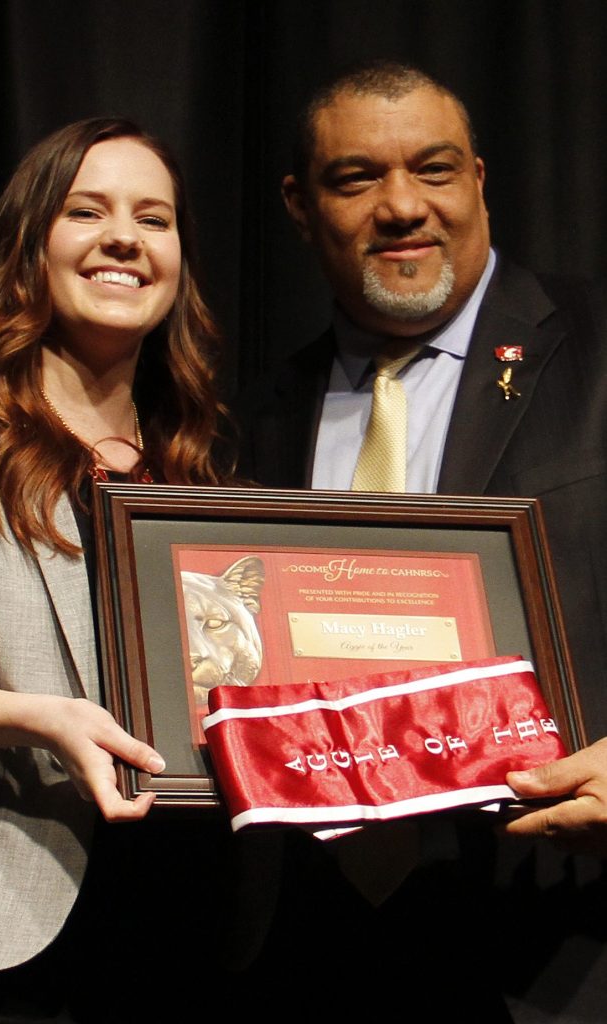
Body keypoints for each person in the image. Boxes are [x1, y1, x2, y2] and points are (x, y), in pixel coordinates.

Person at [236, 61, 607, 1020]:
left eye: (434, 170)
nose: (402, 206)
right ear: (299, 203)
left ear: (480, 180)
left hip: (567, 932)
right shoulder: (253, 418)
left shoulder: (600, 348)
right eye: (356, 178)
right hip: (305, 944)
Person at [0, 117, 233, 1021]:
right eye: (87, 211)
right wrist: (36, 718)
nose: (124, 236)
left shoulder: (196, 471)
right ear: (29, 246)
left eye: (154, 219)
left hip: (178, 939)